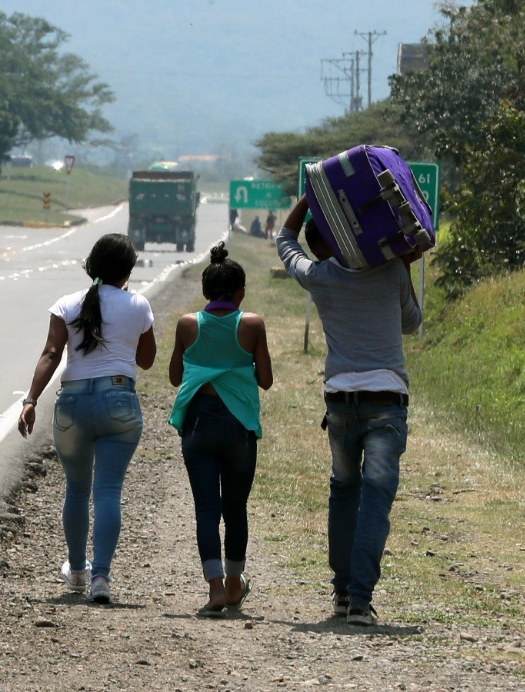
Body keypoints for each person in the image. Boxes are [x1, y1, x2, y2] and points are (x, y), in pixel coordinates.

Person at [276, 196, 422, 626]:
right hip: (385, 403)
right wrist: (404, 264)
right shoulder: (390, 270)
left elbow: (285, 241)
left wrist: (308, 197)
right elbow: (411, 322)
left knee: (343, 492)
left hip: (339, 404)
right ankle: (359, 600)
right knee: (375, 501)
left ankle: (342, 594)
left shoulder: (319, 276)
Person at [18, 233, 157, 604]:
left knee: (77, 488)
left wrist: (30, 399)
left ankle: (76, 570)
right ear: (128, 271)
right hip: (119, 401)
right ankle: (101, 578)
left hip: (73, 404)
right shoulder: (138, 305)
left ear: (91, 266)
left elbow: (51, 353)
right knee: (108, 491)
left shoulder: (66, 304)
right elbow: (146, 360)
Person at [168, 241, 273, 617]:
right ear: (241, 292)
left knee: (206, 509)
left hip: (198, 423)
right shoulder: (252, 324)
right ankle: (234, 585)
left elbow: (175, 376)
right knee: (236, 507)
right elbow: (266, 380)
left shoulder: (186, 324)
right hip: (239, 426)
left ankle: (213, 588)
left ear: (204, 291)